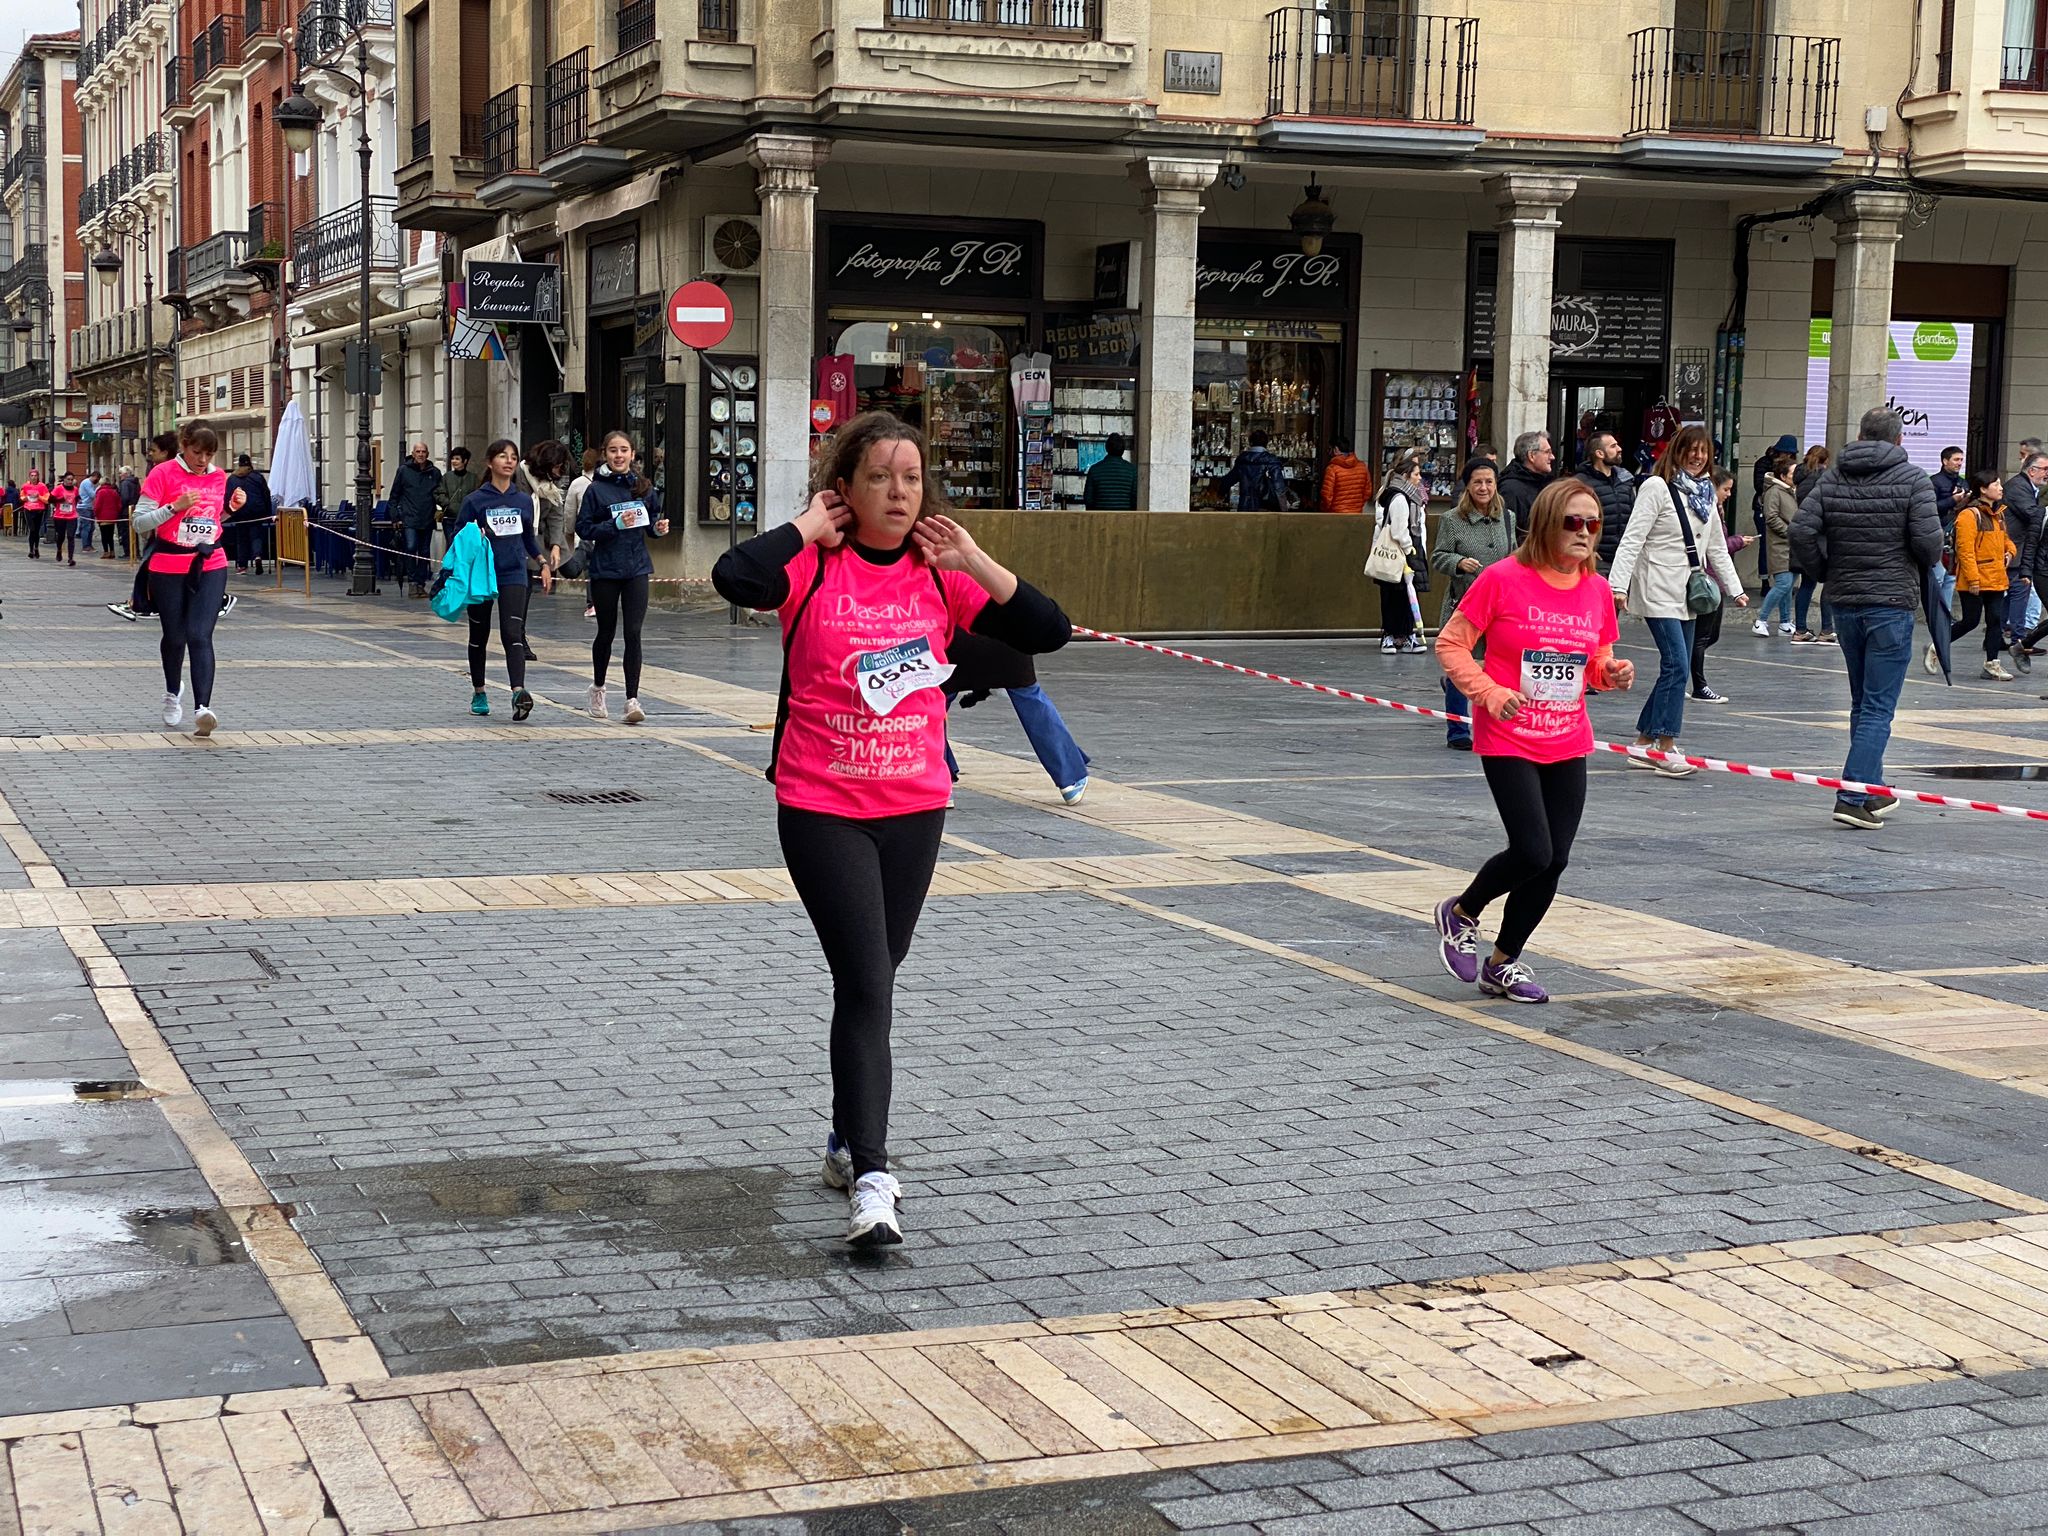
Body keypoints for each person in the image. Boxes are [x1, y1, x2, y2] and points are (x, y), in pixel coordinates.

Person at [710, 412, 1071, 1247]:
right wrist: (805, 526)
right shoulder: (813, 566)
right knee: (869, 980)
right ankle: (872, 1176)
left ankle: (843, 1137)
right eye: (880, 477)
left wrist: (972, 558)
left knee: (873, 976)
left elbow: (1047, 631)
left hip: (916, 806)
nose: (899, 491)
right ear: (848, 488)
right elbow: (736, 577)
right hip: (821, 804)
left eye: (911, 477)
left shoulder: (940, 575)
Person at [1432, 479, 1634, 1005]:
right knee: (1532, 849)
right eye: (1574, 522)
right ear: (1546, 522)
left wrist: (1612, 672)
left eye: (1593, 524)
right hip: (1508, 734)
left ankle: (1503, 963)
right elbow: (1452, 644)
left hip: (1568, 736)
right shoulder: (1502, 579)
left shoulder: (1595, 590)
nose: (1585, 533)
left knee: (1555, 859)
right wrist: (1487, 690)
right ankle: (1462, 911)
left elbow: (1594, 663)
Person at [1791, 406, 1943, 832]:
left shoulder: (1832, 478)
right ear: (1899, 440)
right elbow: (1929, 543)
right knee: (1878, 705)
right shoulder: (1913, 479)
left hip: (1844, 601)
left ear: (1859, 435)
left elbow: (1802, 530)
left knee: (1863, 700)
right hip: (1891, 602)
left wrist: (1824, 570)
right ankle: (1853, 794)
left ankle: (1872, 786)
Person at [1607, 425, 1746, 777]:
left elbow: (1715, 546)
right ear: (1677, 451)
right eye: (1692, 450)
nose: (1698, 457)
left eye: (1704, 452)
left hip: (1688, 593)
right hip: (1657, 588)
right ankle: (1665, 747)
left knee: (1677, 668)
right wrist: (1618, 586)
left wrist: (1735, 588)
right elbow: (1632, 539)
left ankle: (1642, 743)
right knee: (1677, 666)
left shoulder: (1705, 493)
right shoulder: (1656, 487)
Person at [132, 421, 230, 736]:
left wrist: (230, 509)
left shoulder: (219, 476)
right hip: (168, 563)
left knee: (200, 635)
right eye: (197, 452)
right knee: (175, 637)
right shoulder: (162, 474)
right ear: (184, 446)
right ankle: (173, 693)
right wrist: (174, 507)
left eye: (209, 454)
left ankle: (203, 708)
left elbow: (209, 518)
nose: (202, 460)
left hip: (209, 561)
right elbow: (139, 522)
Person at [576, 430, 669, 724]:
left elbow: (651, 521)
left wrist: (658, 529)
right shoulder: (596, 490)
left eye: (624, 450)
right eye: (613, 451)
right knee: (606, 632)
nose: (619, 456)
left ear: (632, 454)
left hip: (637, 568)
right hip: (605, 569)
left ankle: (632, 700)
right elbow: (584, 529)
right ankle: (598, 688)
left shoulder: (642, 487)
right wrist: (614, 524)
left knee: (634, 633)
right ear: (605, 454)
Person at [458, 439, 552, 719]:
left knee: (513, 634)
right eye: (502, 456)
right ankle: (479, 691)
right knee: (479, 634)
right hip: (482, 576)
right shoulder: (475, 501)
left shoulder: (523, 500)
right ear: (490, 463)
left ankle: (518, 693)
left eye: (513, 457)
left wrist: (543, 562)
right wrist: (476, 537)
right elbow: (458, 536)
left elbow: (528, 538)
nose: (509, 461)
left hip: (514, 573)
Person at [942, 632, 1091, 804]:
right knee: (1032, 701)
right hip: (1008, 639)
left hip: (954, 639)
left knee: (934, 706)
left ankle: (940, 783)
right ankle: (1069, 778)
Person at [1430, 458, 1517, 750]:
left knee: (1496, 664)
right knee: (1460, 666)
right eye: (1478, 482)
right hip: (1464, 605)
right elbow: (1438, 556)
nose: (1484, 487)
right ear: (1468, 485)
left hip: (1501, 607)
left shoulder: (1508, 517)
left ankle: (1492, 721)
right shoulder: (1452, 519)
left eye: (1489, 482)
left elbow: (1514, 555)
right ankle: (1457, 729)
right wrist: (1459, 562)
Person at [1932, 469, 2018, 682]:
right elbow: (1965, 551)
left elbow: (2006, 539)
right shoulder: (1970, 515)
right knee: (1970, 620)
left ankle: (1992, 663)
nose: (2000, 488)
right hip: (1976, 578)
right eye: (1996, 484)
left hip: (1996, 575)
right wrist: (1973, 580)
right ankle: (1938, 645)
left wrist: (2010, 551)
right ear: (1983, 489)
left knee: (1995, 619)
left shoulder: (1997, 513)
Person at [1690, 469, 1753, 703]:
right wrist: (1736, 542)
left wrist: (1735, 590)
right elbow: (1714, 548)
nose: (1728, 494)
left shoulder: (1716, 510)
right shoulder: (1703, 509)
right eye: (1725, 489)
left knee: (1709, 635)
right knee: (1701, 636)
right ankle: (1699, 684)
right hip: (1705, 581)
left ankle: (1688, 673)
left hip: (1715, 580)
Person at [1372, 450, 1429, 655]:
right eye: (1416, 473)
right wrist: (1409, 547)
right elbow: (1398, 528)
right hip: (1400, 551)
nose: (1419, 477)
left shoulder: (1401, 494)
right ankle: (1399, 634)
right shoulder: (1400, 497)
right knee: (1401, 593)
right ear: (1406, 475)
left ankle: (1399, 634)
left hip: (1400, 550)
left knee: (1400, 593)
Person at [2003, 449, 2047, 663]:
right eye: (2044, 469)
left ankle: (2016, 641)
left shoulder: (2032, 489)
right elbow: (2034, 518)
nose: (2047, 473)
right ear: (2032, 470)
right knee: (2015, 595)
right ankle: (2018, 641)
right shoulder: (2019, 488)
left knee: (2009, 598)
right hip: (2020, 554)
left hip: (2023, 554)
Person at [1753, 450, 1800, 637]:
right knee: (1783, 583)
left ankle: (1785, 622)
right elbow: (1771, 518)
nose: (1795, 477)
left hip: (1791, 545)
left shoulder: (1790, 491)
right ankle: (1761, 620)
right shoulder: (1774, 491)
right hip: (1780, 545)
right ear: (1783, 475)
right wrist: (1789, 532)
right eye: (1792, 474)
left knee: (1788, 585)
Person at [388, 442, 444, 599]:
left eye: (423, 451)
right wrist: (395, 517)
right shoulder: (404, 471)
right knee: (411, 547)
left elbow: (440, 493)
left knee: (425, 552)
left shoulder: (435, 472)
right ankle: (412, 583)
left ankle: (420, 584)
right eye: (418, 451)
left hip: (427, 518)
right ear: (413, 454)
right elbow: (394, 496)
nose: (421, 454)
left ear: (428, 453)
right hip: (409, 518)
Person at [1576, 431, 1634, 568]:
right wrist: (1588, 549)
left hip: (1625, 559)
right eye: (1613, 446)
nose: (1619, 449)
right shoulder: (1581, 483)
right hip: (1597, 561)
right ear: (1600, 454)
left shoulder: (1625, 480)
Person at [519, 439, 572, 576]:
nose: (558, 472)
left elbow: (556, 514)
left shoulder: (551, 482)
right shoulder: (519, 475)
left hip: (541, 537)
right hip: (520, 537)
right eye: (555, 467)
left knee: (570, 569)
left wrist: (556, 545)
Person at [1216, 431, 1290, 511]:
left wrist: (1221, 494)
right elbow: (1279, 486)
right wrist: (1284, 508)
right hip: (1265, 505)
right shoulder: (1271, 461)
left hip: (1244, 505)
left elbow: (1228, 480)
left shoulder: (1242, 460)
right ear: (1266, 443)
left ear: (1250, 442)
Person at [1496, 430, 1555, 526]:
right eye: (1547, 452)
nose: (1552, 457)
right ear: (1531, 456)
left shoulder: (1545, 483)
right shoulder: (1510, 490)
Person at [228, 455, 273, 575]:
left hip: (240, 513)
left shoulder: (232, 478)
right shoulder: (257, 477)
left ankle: (242, 566)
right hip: (256, 512)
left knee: (241, 539)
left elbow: (227, 496)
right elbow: (266, 494)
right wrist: (268, 513)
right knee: (256, 536)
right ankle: (257, 556)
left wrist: (229, 513)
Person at [1082, 432, 1139, 511]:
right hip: (1125, 519)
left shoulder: (1094, 469)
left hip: (1100, 519)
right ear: (1123, 449)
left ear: (1106, 448)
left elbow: (1088, 499)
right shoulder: (1132, 470)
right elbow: (1135, 499)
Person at [1318, 435, 1372, 516]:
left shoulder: (1332, 469)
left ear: (1336, 449)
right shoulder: (1362, 467)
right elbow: (1367, 492)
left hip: (1336, 514)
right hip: (1356, 513)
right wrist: (1357, 505)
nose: (1328, 453)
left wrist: (1324, 509)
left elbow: (1327, 496)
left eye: (1329, 449)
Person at [435, 446, 479, 542]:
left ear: (465, 461)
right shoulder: (446, 477)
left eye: (457, 459)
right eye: (453, 458)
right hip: (449, 519)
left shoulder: (473, 478)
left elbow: (477, 497)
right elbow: (438, 493)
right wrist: (446, 503)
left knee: (465, 546)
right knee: (452, 544)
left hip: (467, 520)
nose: (454, 461)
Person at [48, 473, 80, 566]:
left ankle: (70, 558)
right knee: (61, 536)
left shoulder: (75, 489)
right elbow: (50, 499)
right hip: (60, 516)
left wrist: (75, 505)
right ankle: (59, 550)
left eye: (71, 480)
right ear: (64, 480)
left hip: (72, 516)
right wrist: (59, 500)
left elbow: (77, 499)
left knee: (71, 537)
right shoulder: (58, 489)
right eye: (68, 479)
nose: (70, 481)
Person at [91, 474, 122, 558]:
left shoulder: (101, 492)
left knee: (104, 535)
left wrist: (96, 514)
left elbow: (97, 505)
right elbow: (119, 505)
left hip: (103, 517)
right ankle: (112, 551)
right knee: (110, 535)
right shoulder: (114, 491)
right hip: (112, 517)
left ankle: (106, 552)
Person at [19, 472, 46, 559]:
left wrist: (39, 497)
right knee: (32, 529)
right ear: (29, 477)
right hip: (28, 509)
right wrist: (25, 498)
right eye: (32, 476)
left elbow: (47, 499)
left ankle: (36, 548)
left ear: (38, 476)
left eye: (35, 476)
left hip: (39, 510)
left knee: (36, 530)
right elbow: (21, 496)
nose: (34, 477)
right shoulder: (25, 486)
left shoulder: (42, 486)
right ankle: (31, 550)